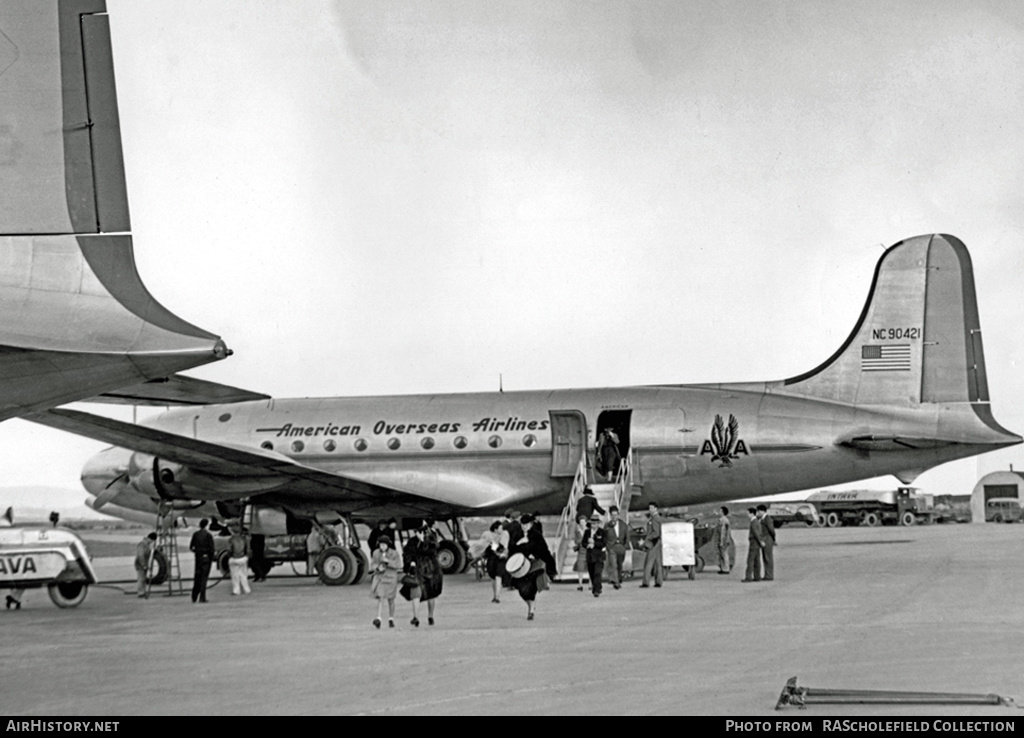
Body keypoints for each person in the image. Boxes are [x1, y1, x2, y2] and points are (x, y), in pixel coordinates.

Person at [507, 513, 557, 620]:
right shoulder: (516, 535)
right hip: (520, 566)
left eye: (526, 524)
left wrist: (534, 553)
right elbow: (511, 550)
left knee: (530, 589)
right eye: (522, 524)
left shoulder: (537, 534)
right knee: (522, 591)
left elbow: (544, 549)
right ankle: (530, 606)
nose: (524, 526)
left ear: (530, 524)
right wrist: (519, 543)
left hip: (534, 565)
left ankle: (531, 610)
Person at [402, 522, 443, 626]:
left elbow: (431, 551)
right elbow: (407, 553)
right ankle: (415, 617)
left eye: (420, 532)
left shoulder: (430, 540)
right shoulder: (412, 541)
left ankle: (430, 616)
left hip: (430, 571)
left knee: (430, 595)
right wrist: (409, 563)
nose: (418, 534)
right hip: (418, 571)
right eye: (417, 532)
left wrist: (422, 541)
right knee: (416, 594)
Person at [369, 536, 402, 628]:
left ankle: (391, 618)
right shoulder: (376, 552)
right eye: (381, 545)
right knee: (380, 597)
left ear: (388, 545)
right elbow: (373, 563)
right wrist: (377, 567)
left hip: (391, 578)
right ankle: (378, 618)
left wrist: (388, 561)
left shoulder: (394, 553)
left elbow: (398, 565)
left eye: (384, 545)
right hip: (380, 577)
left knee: (391, 599)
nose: (382, 547)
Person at [478, 520, 507, 603]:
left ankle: (497, 597)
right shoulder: (488, 536)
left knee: (498, 576)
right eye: (500, 528)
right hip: (492, 559)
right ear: (495, 529)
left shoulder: (504, 535)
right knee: (493, 578)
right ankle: (495, 596)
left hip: (499, 560)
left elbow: (504, 546)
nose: (502, 529)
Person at [189, 518, 215, 603]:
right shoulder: (208, 535)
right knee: (204, 579)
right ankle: (202, 597)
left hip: (198, 558)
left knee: (197, 577)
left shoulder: (195, 534)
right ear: (207, 525)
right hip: (206, 558)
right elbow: (212, 549)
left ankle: (194, 595)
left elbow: (191, 547)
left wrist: (197, 552)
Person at [582, 513, 608, 597]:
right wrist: (587, 545)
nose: (593, 525)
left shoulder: (602, 532)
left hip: (599, 556)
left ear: (598, 523)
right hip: (590, 556)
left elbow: (604, 543)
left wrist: (594, 543)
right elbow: (583, 543)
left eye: (595, 523)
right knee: (592, 573)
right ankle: (597, 586)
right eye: (592, 523)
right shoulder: (587, 532)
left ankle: (596, 590)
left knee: (597, 572)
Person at [604, 505, 629, 589]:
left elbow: (627, 536)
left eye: (616, 515)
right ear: (610, 516)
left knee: (619, 564)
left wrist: (625, 546)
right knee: (613, 565)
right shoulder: (607, 526)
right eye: (612, 515)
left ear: (618, 515)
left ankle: (618, 578)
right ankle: (616, 582)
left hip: (621, 547)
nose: (614, 517)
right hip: (612, 547)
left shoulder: (623, 525)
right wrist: (608, 547)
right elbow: (604, 537)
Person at [640, 503, 664, 588]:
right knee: (657, 562)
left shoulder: (654, 519)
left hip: (653, 542)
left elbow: (656, 533)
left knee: (649, 562)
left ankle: (646, 582)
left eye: (651, 508)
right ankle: (659, 581)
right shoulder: (656, 518)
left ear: (655, 509)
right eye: (649, 508)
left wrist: (647, 538)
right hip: (657, 542)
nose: (650, 510)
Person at [228, 525, 252, 595]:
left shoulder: (231, 539)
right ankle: (247, 589)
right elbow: (247, 549)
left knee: (235, 576)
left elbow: (229, 550)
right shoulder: (244, 539)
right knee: (244, 575)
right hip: (243, 558)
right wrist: (246, 557)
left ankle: (236, 590)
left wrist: (230, 557)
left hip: (234, 558)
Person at [743, 507, 765, 582]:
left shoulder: (753, 522)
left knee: (750, 560)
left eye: (748, 513)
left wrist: (759, 541)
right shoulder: (757, 521)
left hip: (754, 542)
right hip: (757, 543)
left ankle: (748, 577)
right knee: (757, 560)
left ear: (752, 513)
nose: (747, 515)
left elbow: (755, 533)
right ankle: (757, 576)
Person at [757, 504, 777, 581]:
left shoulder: (767, 519)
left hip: (768, 538)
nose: (757, 513)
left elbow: (771, 530)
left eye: (758, 511)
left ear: (761, 511)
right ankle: (767, 574)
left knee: (768, 557)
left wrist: (773, 539)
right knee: (765, 557)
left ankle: (769, 575)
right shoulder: (762, 519)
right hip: (765, 538)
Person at [134, 532, 157, 598]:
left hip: (144, 563)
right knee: (141, 579)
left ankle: (143, 591)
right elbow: (141, 555)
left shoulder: (146, 545)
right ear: (149, 538)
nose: (152, 542)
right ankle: (140, 592)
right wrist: (144, 565)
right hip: (140, 564)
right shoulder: (142, 545)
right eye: (152, 540)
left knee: (143, 579)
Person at [714, 506, 734, 575]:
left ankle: (726, 569)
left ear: (722, 512)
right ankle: (723, 568)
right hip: (723, 540)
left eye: (720, 511)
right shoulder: (723, 520)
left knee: (724, 554)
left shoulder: (724, 520)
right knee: (722, 555)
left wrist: (722, 542)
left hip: (724, 540)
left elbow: (723, 532)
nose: (719, 512)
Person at [572, 514, 588, 591]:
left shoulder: (589, 531)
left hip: (588, 550)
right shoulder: (577, 532)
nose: (582, 524)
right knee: (580, 567)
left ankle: (590, 584)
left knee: (590, 567)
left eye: (583, 522)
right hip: (581, 550)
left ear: (586, 522)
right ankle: (580, 584)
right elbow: (576, 541)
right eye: (580, 522)